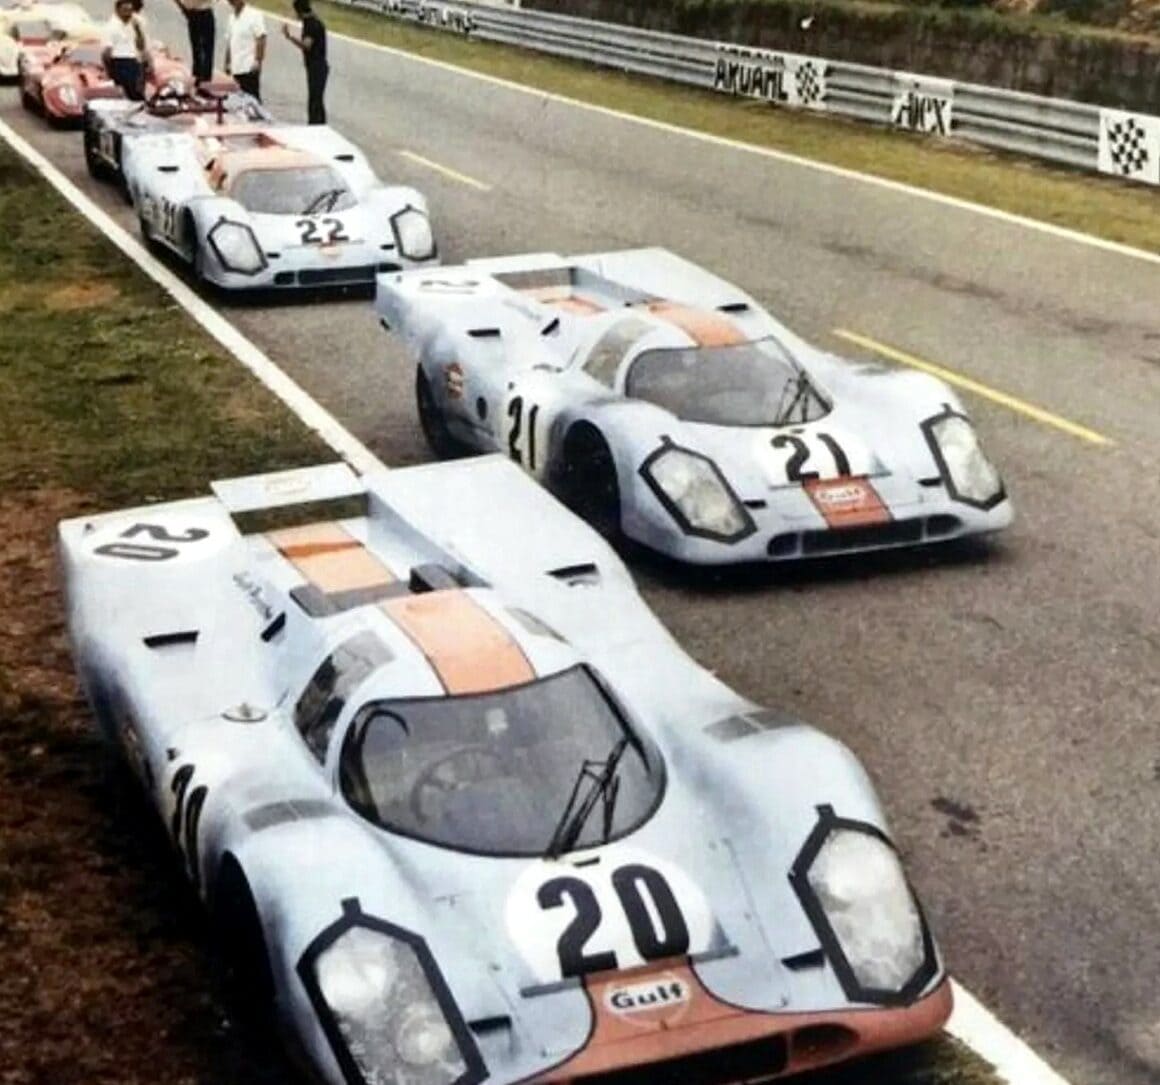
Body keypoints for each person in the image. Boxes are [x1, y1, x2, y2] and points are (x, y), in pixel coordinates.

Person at [281, 0, 327, 124]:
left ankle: (314, 124)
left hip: (316, 67)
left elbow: (306, 45)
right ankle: (320, 124)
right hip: (317, 66)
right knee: (317, 99)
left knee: (314, 100)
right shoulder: (314, 21)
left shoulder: (310, 24)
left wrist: (289, 37)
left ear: (300, 12)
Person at [102, 0, 146, 100]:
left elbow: (141, 46)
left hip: (134, 62)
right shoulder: (112, 26)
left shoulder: (134, 24)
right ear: (118, 10)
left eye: (130, 10)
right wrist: (109, 71)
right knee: (126, 93)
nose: (128, 14)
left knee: (137, 93)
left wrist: (138, 30)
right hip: (119, 62)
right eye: (125, 10)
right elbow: (106, 53)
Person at [224, 0, 265, 100]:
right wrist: (227, 63)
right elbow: (230, 42)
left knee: (252, 98)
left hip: (249, 67)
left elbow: (261, 38)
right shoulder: (231, 18)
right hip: (236, 68)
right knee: (238, 100)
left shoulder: (254, 15)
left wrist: (258, 60)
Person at [170, 0, 214, 84]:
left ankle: (201, 77)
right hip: (202, 12)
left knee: (199, 47)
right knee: (203, 48)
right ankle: (203, 78)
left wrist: (182, 7)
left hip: (195, 12)